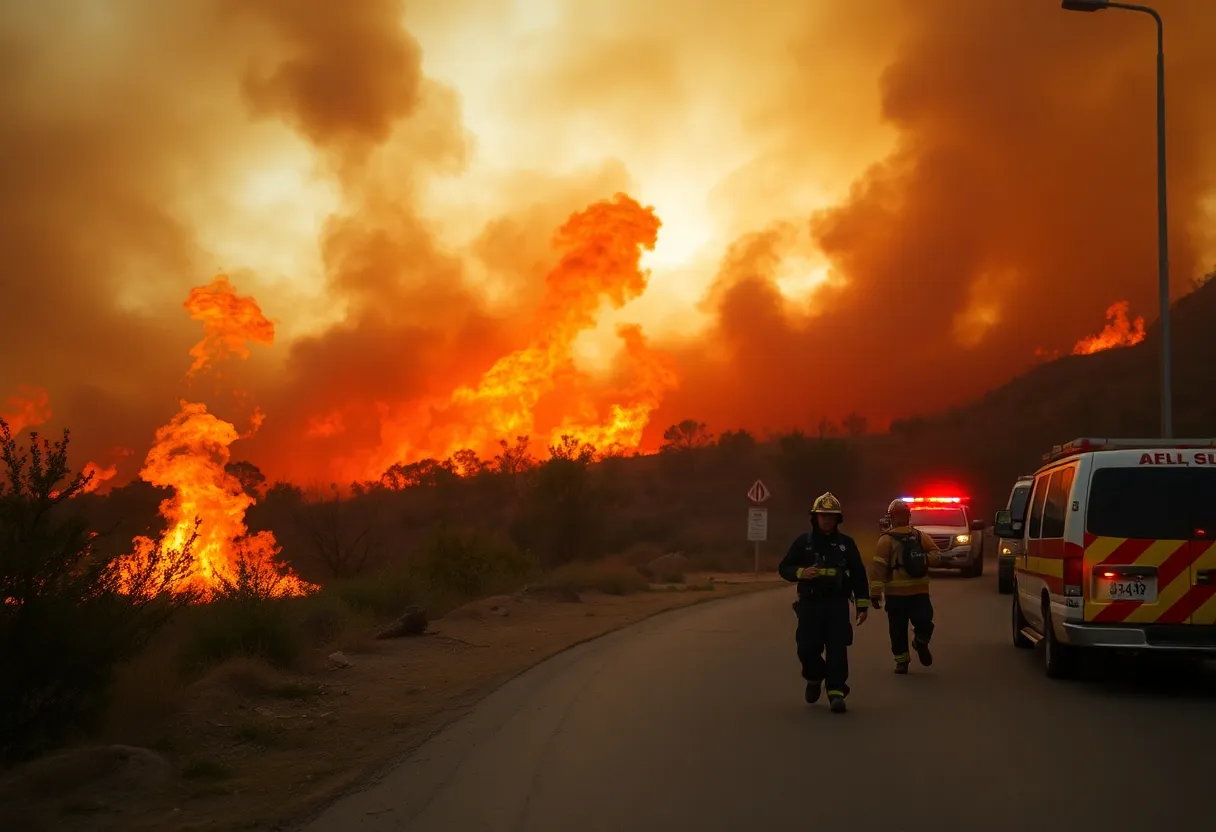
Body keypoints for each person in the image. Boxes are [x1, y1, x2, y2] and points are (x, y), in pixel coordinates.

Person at [777, 492, 870, 713]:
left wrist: (862, 605)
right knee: (806, 648)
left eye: (831, 516)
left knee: (837, 649)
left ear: (838, 519)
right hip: (810, 605)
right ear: (815, 518)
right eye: (823, 516)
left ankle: (836, 693)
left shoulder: (847, 545)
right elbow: (784, 567)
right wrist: (801, 572)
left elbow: (858, 575)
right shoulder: (803, 543)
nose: (827, 520)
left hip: (837, 605)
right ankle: (814, 677)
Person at [868, 499, 944, 674]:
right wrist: (924, 560)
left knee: (898, 630)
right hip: (917, 593)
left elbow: (879, 568)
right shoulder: (919, 536)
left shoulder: (885, 540)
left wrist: (875, 593)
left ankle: (905, 657)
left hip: (899, 595)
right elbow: (936, 555)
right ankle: (916, 646)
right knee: (922, 622)